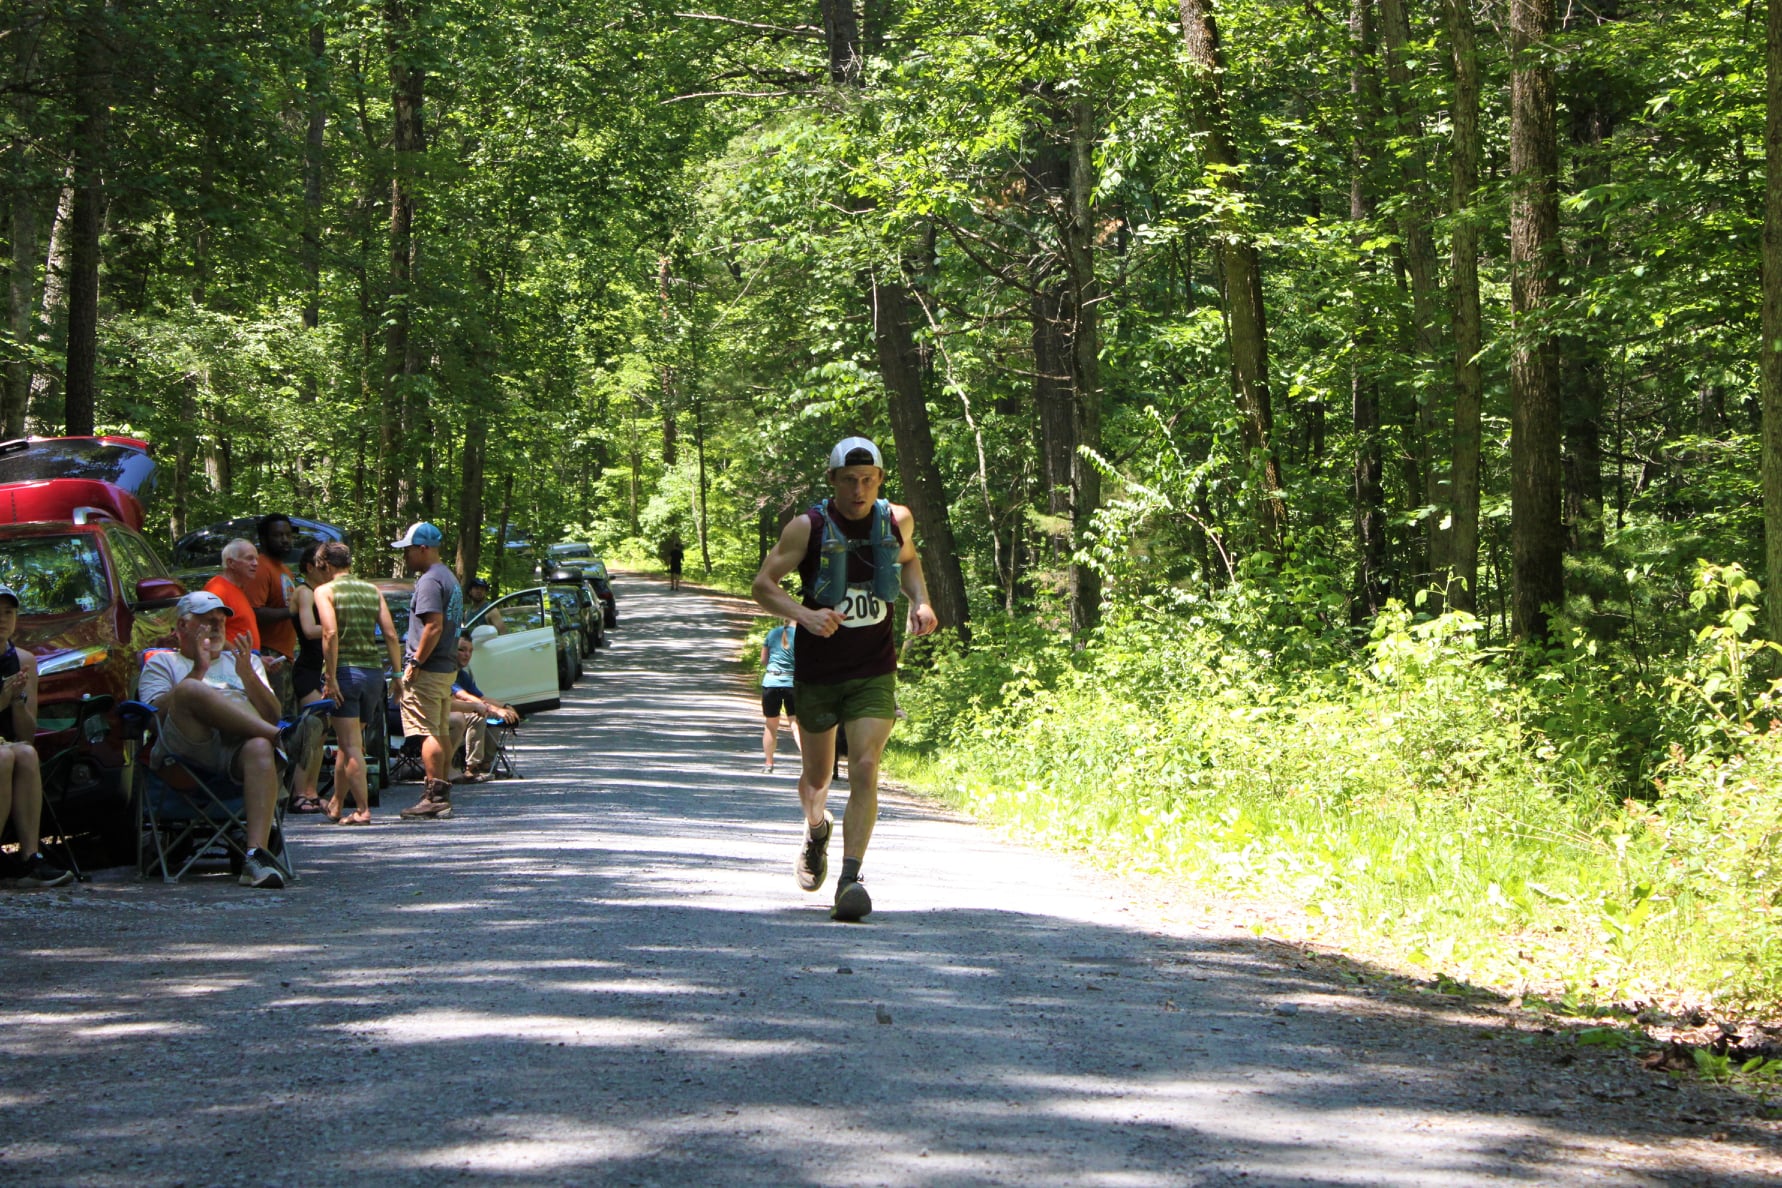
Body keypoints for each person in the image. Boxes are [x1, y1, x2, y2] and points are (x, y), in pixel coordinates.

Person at [750, 436, 937, 921]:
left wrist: (921, 601)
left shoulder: (896, 521)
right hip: (819, 672)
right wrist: (804, 615)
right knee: (816, 779)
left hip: (874, 669)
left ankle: (850, 880)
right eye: (850, 480)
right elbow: (763, 585)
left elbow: (909, 561)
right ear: (832, 479)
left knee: (866, 765)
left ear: (880, 480)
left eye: (868, 480)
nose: (859, 490)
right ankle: (816, 829)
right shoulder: (806, 528)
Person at [137, 592, 323, 889]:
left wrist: (248, 675)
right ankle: (283, 740)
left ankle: (255, 857)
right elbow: (151, 719)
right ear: (183, 625)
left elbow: (272, 714)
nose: (217, 626)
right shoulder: (163, 662)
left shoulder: (244, 661)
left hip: (236, 755)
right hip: (187, 756)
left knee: (260, 746)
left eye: (221, 620)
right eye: (207, 620)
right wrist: (198, 671)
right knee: (190, 691)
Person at [315, 542, 402, 826]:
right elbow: (390, 634)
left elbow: (329, 632)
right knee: (349, 743)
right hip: (373, 675)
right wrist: (397, 675)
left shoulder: (325, 591)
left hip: (345, 674)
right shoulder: (372, 590)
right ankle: (336, 804)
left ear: (327, 565)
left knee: (351, 745)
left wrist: (330, 677)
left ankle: (363, 810)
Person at [0, 585, 73, 888]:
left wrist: (17, 701)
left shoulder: (24, 661)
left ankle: (30, 857)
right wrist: (3, 698)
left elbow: (27, 734)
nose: (2, 619)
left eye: (8, 612)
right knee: (4, 756)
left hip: (9, 744)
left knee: (26, 753)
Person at [392, 521, 463, 819]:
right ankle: (441, 792)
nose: (405, 556)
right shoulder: (448, 577)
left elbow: (433, 626)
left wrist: (416, 662)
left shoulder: (430, 581)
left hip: (429, 668)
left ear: (423, 548)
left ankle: (433, 797)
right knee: (440, 729)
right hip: (445, 665)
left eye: (408, 550)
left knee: (427, 732)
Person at [285, 543, 330, 814]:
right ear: (310, 567)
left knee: (321, 730)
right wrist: (336, 626)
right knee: (312, 728)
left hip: (319, 669)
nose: (328, 572)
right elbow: (309, 629)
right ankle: (299, 793)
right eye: (323, 567)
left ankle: (311, 791)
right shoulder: (304, 592)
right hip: (306, 670)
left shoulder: (320, 593)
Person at [449, 636, 518, 783]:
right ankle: (471, 768)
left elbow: (480, 697)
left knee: (495, 716)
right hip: (449, 712)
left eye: (470, 651)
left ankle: (486, 764)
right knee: (479, 716)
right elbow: (464, 696)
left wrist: (505, 707)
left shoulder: (462, 674)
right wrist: (494, 709)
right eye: (462, 650)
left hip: (462, 710)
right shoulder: (447, 673)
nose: (467, 655)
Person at [243, 514, 299, 663]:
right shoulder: (260, 568)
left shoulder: (285, 570)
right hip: (266, 653)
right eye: (278, 535)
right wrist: (294, 610)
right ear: (263, 539)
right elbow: (253, 612)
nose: (285, 539)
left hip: (284, 654)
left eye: (288, 535)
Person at [203, 540, 261, 651]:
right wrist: (241, 654)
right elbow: (207, 632)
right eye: (249, 558)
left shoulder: (238, 589)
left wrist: (257, 658)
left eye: (256, 559)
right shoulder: (218, 589)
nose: (255, 563)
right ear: (231, 563)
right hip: (229, 660)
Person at [759, 618, 798, 774]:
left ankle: (768, 763)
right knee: (796, 725)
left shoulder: (772, 633)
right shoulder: (801, 636)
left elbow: (763, 660)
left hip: (771, 682)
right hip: (792, 683)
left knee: (770, 725)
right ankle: (807, 765)